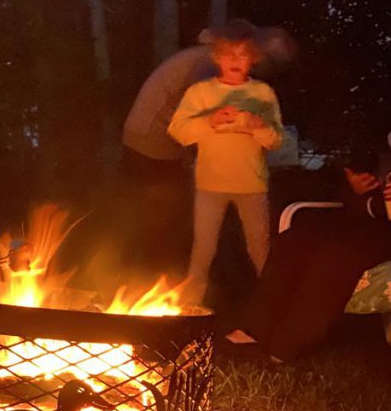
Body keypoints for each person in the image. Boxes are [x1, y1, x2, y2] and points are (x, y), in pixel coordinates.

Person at [119, 25, 296, 276]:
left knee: (162, 218)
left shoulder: (207, 58)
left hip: (143, 135)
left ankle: (148, 276)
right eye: (271, 63)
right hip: (152, 142)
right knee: (165, 218)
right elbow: (202, 124)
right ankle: (155, 279)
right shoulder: (209, 70)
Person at [228, 122, 391, 361]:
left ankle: (289, 340)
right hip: (373, 219)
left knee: (340, 252)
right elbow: (361, 198)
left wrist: (371, 205)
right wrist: (359, 189)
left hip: (386, 230)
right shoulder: (383, 145)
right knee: (298, 237)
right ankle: (256, 328)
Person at [168, 20, 284, 304]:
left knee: (260, 250)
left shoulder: (262, 94)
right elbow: (178, 131)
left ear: (253, 59)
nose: (235, 60)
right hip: (210, 185)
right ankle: (187, 311)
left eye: (242, 54)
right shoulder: (200, 93)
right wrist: (210, 120)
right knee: (202, 251)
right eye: (228, 54)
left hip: (252, 185)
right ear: (217, 57)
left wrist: (257, 125)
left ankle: (273, 306)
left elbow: (276, 140)